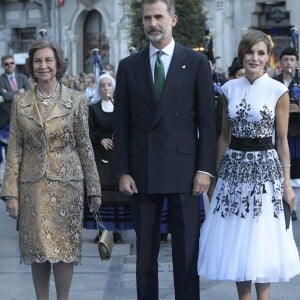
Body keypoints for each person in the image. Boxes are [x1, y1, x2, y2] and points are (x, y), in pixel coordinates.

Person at [113, 0, 217, 299]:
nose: (152, 24)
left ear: (173, 19)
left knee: (186, 254)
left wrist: (204, 169)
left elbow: (207, 123)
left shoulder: (195, 63)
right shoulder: (128, 66)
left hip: (185, 172)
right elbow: (121, 125)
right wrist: (122, 170)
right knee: (145, 253)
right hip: (142, 171)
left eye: (158, 17)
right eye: (147, 18)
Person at [198, 29, 300, 300]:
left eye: (260, 53)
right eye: (250, 52)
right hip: (233, 172)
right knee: (237, 241)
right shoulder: (228, 89)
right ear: (241, 54)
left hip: (266, 172)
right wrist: (216, 177)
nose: (254, 58)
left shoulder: (279, 90)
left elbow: (282, 141)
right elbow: (224, 136)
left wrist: (287, 185)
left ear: (268, 58)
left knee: (262, 240)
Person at [0, 38, 102, 300]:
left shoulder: (77, 100)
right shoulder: (20, 102)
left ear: (58, 64)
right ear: (31, 67)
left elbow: (84, 145)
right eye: (37, 61)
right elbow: (14, 149)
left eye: (48, 60)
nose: (43, 66)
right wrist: (10, 193)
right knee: (38, 250)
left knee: (64, 249)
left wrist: (94, 188)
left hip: (67, 185)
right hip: (32, 185)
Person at [83, 72, 133, 243]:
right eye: (102, 85)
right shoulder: (93, 108)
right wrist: (100, 139)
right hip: (101, 157)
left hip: (118, 156)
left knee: (120, 194)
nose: (106, 88)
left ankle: (119, 230)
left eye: (109, 85)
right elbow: (88, 130)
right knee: (102, 193)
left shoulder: (121, 107)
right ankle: (102, 230)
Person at [274, 47, 300, 221]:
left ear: (296, 62)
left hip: (296, 133)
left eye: (292, 59)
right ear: (280, 63)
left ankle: (293, 204)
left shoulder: (298, 82)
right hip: (278, 132)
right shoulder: (274, 82)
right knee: (280, 168)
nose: (289, 63)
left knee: (296, 169)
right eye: (285, 59)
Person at [0, 54, 32, 156]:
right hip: (7, 118)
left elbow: (29, 93)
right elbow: (5, 96)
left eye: (11, 63)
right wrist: (19, 91)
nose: (9, 65)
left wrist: (10, 93)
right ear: (2, 66)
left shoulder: (22, 77)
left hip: (23, 115)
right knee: (9, 147)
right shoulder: (0, 80)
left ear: (14, 64)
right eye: (6, 64)